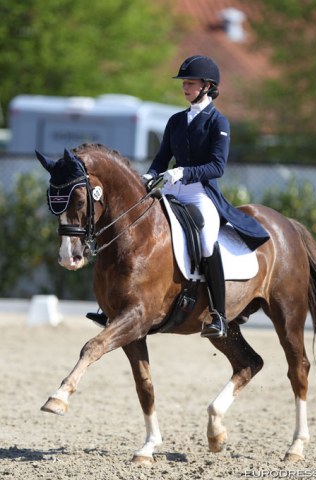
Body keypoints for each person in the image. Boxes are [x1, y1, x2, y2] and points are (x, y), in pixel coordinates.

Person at [87, 55, 270, 337]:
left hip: (200, 194)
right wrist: (150, 175)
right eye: (184, 83)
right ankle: (110, 305)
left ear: (207, 86)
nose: (185, 87)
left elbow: (217, 166)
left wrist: (183, 173)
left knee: (208, 242)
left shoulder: (217, 122)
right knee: (133, 225)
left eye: (190, 83)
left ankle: (218, 316)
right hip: (171, 189)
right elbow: (162, 159)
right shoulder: (176, 120)